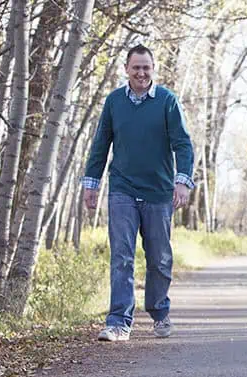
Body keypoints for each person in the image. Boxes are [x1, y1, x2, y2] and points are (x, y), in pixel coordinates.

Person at [82, 44, 195, 342]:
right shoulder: (114, 101)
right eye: (136, 67)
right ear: (126, 69)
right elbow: (100, 145)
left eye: (146, 67)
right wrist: (91, 183)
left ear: (153, 69)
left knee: (159, 258)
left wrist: (182, 181)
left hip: (158, 191)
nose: (141, 72)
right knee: (121, 255)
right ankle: (119, 321)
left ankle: (159, 312)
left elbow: (183, 144)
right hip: (122, 188)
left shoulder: (167, 101)